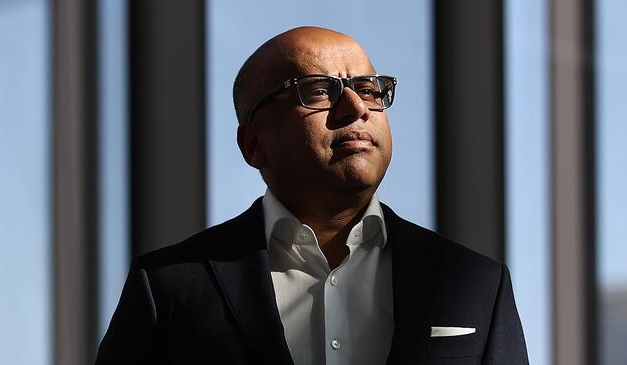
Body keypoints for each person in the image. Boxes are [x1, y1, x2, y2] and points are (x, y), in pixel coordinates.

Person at [95, 26, 528, 365]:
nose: (356, 107)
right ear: (253, 145)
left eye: (370, 89)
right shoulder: (169, 287)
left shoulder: (478, 284)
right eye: (320, 90)